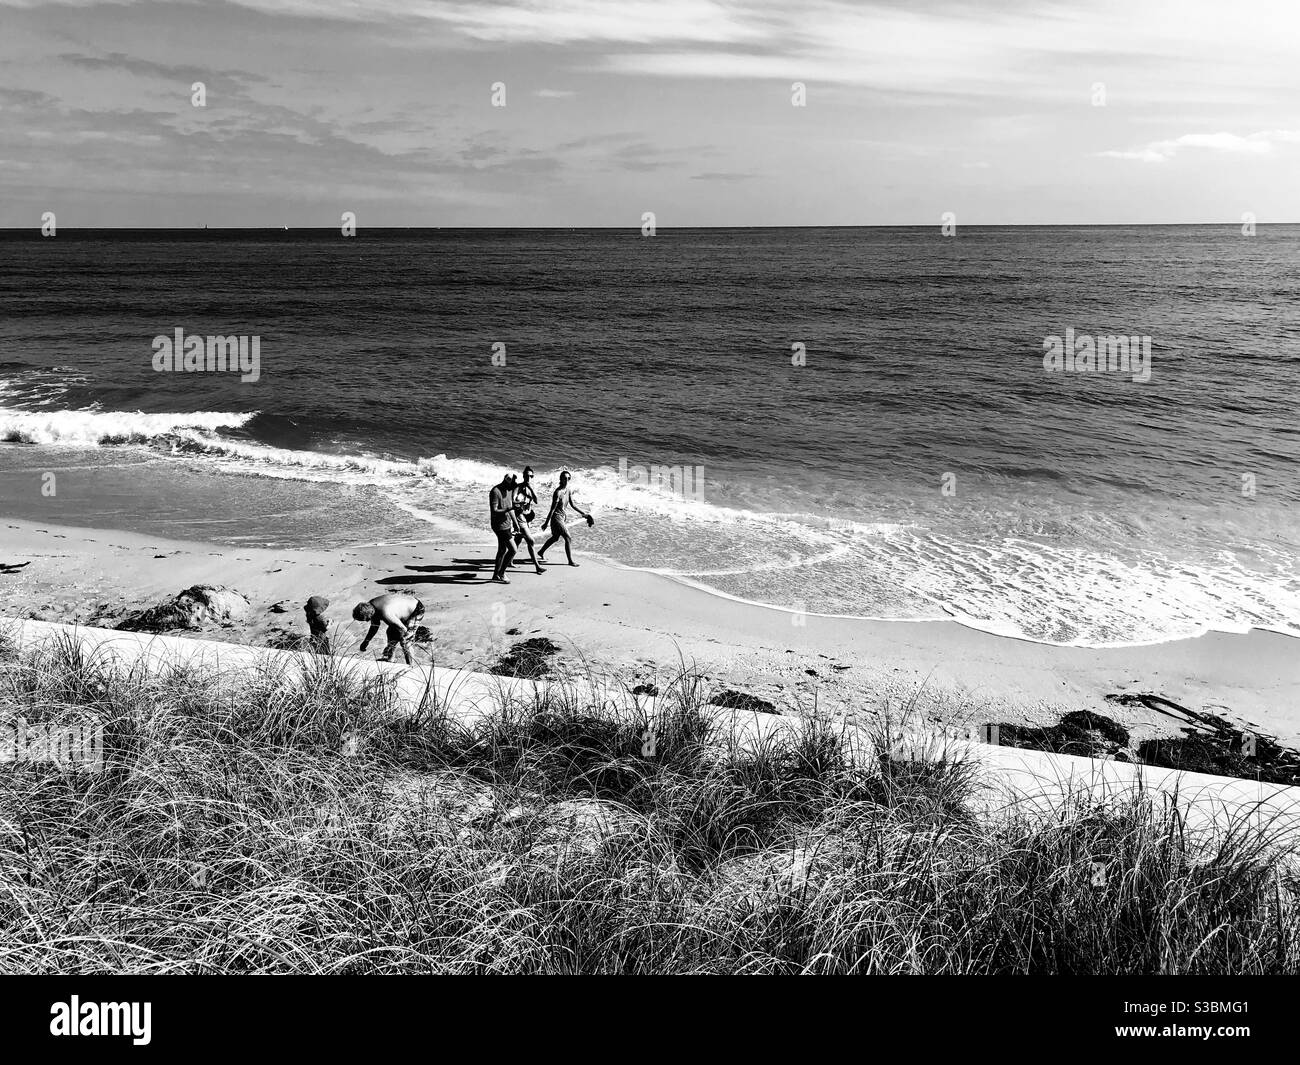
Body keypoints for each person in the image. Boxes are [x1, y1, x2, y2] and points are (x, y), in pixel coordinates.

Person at [538, 470, 593, 568]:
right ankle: (570, 561)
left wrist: (584, 514)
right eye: (564, 478)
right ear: (560, 479)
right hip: (556, 518)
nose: (566, 480)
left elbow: (572, 504)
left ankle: (541, 552)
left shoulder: (568, 490)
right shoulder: (557, 492)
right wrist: (546, 523)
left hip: (562, 518)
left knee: (555, 537)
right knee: (568, 538)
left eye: (568, 478)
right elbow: (552, 509)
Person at [353, 592, 424, 665]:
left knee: (405, 641)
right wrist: (366, 641)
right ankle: (390, 660)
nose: (368, 621)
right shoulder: (370, 606)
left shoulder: (386, 613)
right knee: (390, 633)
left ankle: (411, 666)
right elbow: (374, 627)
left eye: (367, 619)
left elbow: (403, 629)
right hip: (403, 605)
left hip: (416, 609)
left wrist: (404, 638)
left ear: (370, 614)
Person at [510, 466, 545, 574]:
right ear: (523, 476)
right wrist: (520, 502)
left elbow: (536, 500)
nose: (528, 478)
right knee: (531, 541)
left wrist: (531, 488)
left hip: (528, 516)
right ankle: (537, 567)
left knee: (519, 539)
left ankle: (509, 561)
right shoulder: (518, 487)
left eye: (531, 476)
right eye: (526, 476)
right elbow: (513, 500)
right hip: (520, 516)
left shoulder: (531, 487)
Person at [489, 473, 519, 583]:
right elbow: (494, 510)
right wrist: (507, 509)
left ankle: (495, 575)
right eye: (511, 484)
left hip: (507, 524)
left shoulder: (509, 490)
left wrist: (515, 523)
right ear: (506, 480)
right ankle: (501, 573)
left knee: (502, 550)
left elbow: (510, 508)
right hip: (499, 525)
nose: (512, 488)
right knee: (513, 549)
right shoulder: (495, 491)